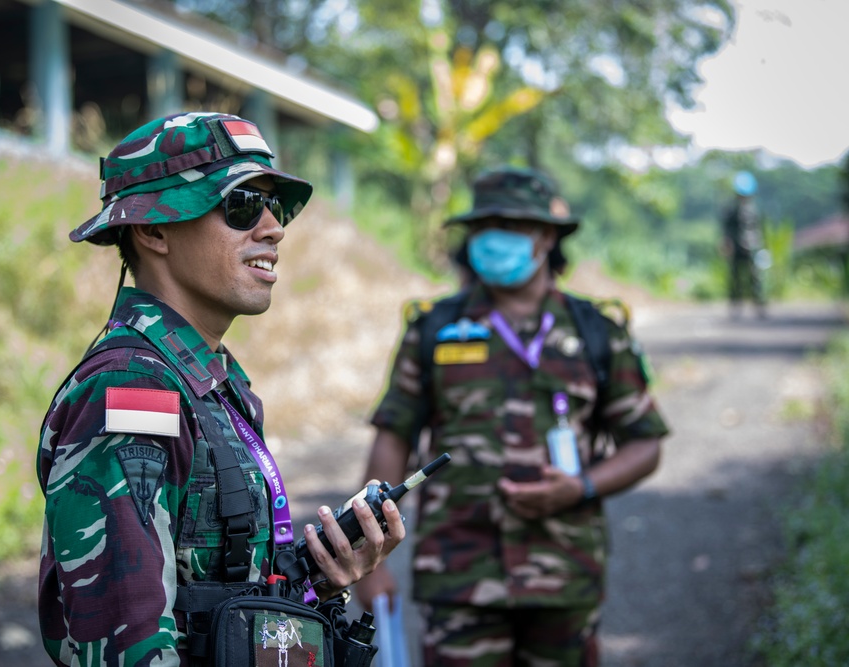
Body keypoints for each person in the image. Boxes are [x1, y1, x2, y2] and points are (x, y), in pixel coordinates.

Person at [36, 111, 405, 667]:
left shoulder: (209, 380)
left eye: (274, 207)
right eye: (240, 206)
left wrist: (318, 584)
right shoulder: (134, 391)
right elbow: (127, 648)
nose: (273, 229)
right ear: (154, 229)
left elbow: (212, 601)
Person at [355, 166, 669, 666]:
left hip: (565, 578)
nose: (493, 239)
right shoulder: (434, 328)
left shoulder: (598, 331)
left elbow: (645, 444)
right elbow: (393, 438)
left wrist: (581, 486)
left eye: (511, 225)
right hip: (457, 575)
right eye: (484, 227)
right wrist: (368, 558)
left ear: (546, 236)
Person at [721, 170, 768, 318]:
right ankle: (735, 308)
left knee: (755, 278)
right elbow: (727, 231)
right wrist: (727, 245)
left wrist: (762, 248)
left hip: (752, 247)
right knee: (736, 280)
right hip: (736, 249)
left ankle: (759, 306)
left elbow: (760, 230)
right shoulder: (731, 210)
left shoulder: (754, 210)